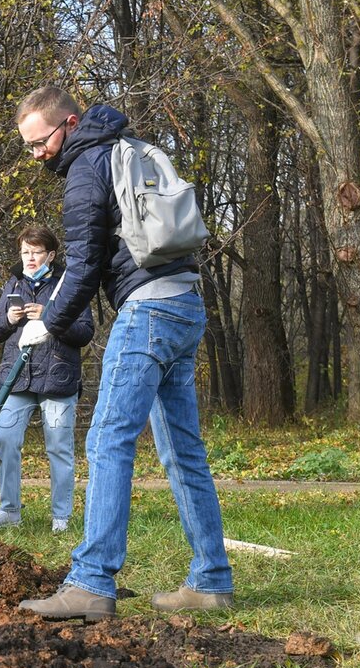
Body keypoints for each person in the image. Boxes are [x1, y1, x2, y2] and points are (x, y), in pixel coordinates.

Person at [13, 86, 233, 620]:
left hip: (149, 316)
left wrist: (50, 323)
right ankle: (211, 578)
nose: (37, 154)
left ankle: (90, 581)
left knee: (109, 439)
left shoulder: (87, 167)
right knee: (183, 450)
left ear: (68, 123)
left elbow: (85, 267)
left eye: (39, 142)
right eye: (28, 147)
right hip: (185, 304)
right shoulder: (125, 146)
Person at [0, 224, 94, 533]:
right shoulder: (13, 283)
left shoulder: (68, 285)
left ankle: (61, 516)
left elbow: (85, 332)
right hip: (17, 378)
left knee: (58, 447)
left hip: (57, 379)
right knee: (5, 438)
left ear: (51, 254)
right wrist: (8, 319)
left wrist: (50, 317)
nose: (30, 258)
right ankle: (9, 510)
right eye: (25, 252)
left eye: (36, 252)